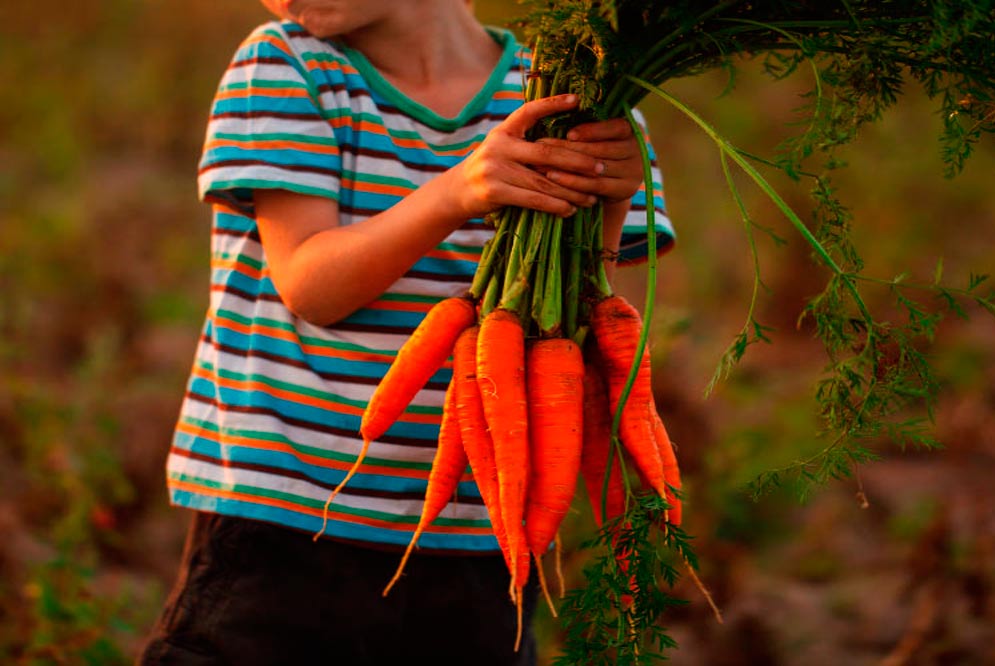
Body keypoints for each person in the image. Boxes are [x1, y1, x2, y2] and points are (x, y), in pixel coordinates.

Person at [140, 1, 674, 663]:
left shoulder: (571, 96)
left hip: (483, 532)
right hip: (284, 518)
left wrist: (611, 196)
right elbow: (312, 285)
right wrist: (456, 193)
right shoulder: (285, 66)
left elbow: (579, 313)